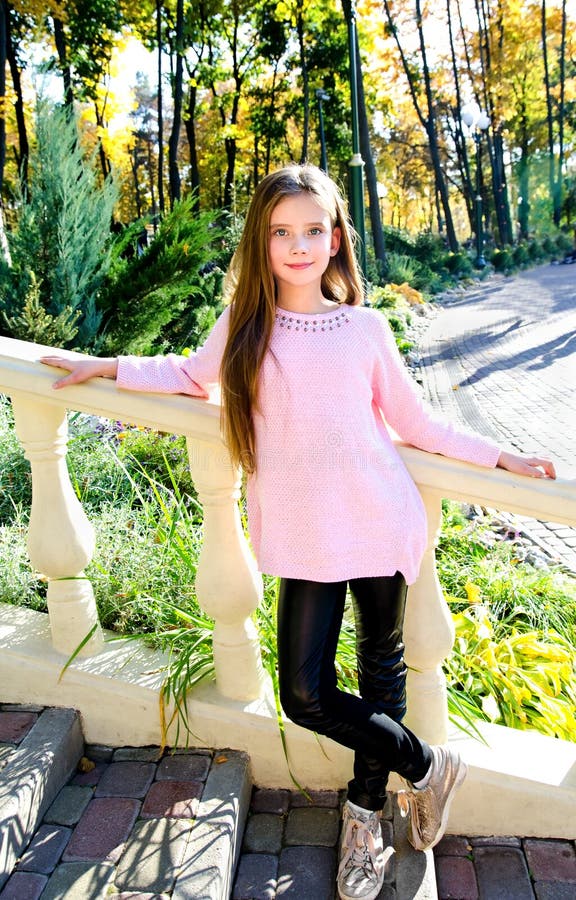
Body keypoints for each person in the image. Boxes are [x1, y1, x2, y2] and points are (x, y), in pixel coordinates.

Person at [41, 164, 555, 900]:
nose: (299, 244)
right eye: (282, 232)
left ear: (336, 238)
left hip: (379, 518)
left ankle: (364, 817)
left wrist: (498, 452)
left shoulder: (364, 329)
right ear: (262, 241)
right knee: (304, 693)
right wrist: (107, 366)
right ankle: (429, 767)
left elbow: (415, 425)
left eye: (313, 230)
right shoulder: (248, 328)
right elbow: (190, 376)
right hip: (306, 535)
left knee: (380, 676)